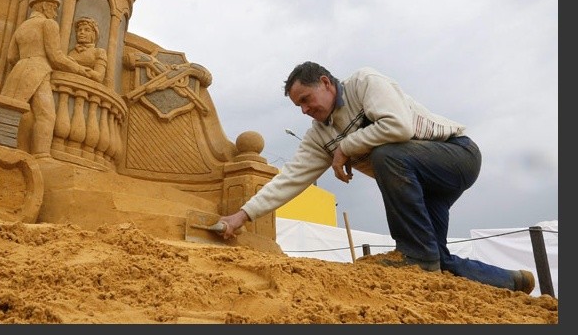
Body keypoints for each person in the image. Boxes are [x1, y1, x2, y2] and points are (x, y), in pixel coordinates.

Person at [217, 61, 536, 294]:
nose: (303, 110)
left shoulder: (364, 83)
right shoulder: (318, 136)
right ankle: (512, 280)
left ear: (326, 83)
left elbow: (399, 126)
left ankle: (415, 255)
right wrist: (242, 216)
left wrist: (346, 147)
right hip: (426, 190)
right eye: (297, 105)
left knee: (388, 155)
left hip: (456, 156)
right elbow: (290, 180)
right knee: (437, 260)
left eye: (305, 99)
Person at [1, 0, 94, 157]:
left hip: (18, 71)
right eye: (54, 7)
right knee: (46, 115)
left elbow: (11, 57)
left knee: (21, 110)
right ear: (44, 5)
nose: (55, 12)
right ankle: (41, 154)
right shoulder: (48, 24)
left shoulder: (22, 27)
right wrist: (80, 69)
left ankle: (19, 149)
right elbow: (56, 57)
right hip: (38, 71)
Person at [68, 16, 107, 82]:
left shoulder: (99, 52)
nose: (82, 32)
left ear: (94, 34)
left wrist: (75, 66)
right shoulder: (72, 52)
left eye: (87, 30)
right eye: (80, 30)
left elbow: (99, 77)